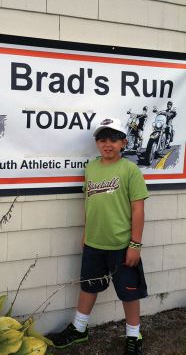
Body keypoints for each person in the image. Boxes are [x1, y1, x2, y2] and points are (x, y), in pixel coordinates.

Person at [47, 118, 149, 355]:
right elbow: (89, 204)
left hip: (122, 245)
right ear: (96, 143)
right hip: (94, 243)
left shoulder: (130, 170)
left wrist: (135, 244)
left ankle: (134, 335)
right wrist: (86, 234)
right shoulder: (91, 168)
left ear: (124, 142)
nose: (108, 144)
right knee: (88, 287)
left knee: (128, 292)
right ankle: (80, 328)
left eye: (114, 139)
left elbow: (138, 209)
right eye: (102, 139)